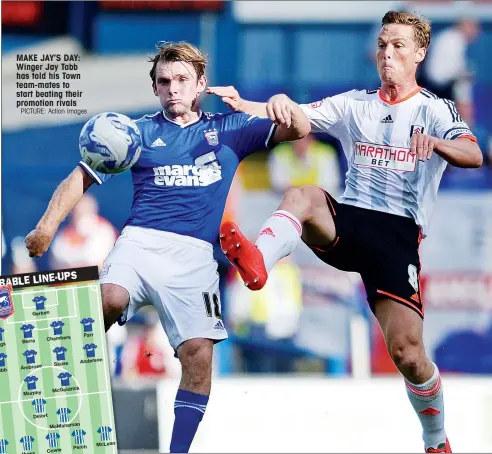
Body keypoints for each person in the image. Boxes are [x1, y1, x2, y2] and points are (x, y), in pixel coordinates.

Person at [208, 11, 483, 453]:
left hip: (396, 239)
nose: (387, 54)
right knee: (304, 197)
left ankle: (436, 441)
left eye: (397, 46)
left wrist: (436, 144)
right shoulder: (356, 103)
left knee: (409, 356)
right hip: (351, 222)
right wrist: (248, 105)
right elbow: (295, 116)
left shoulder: (434, 109)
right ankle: (258, 263)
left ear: (419, 54)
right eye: (382, 45)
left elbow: (473, 155)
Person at [24, 41, 310, 453]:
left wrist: (264, 103)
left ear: (200, 85)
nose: (172, 88)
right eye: (163, 81)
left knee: (198, 357)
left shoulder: (231, 128)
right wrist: (45, 228)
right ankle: (53, 374)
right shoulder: (135, 133)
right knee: (109, 296)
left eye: (181, 80)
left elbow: (299, 128)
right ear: (155, 88)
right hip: (140, 243)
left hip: (194, 257)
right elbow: (80, 177)